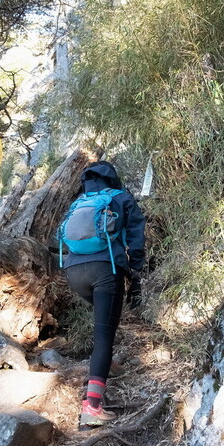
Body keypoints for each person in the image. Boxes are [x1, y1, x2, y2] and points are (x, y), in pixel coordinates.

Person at [61, 161, 146, 428]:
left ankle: (106, 363)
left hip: (74, 272)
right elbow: (136, 237)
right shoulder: (121, 198)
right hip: (105, 269)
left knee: (105, 322)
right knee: (103, 336)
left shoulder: (79, 203)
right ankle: (92, 407)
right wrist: (136, 270)